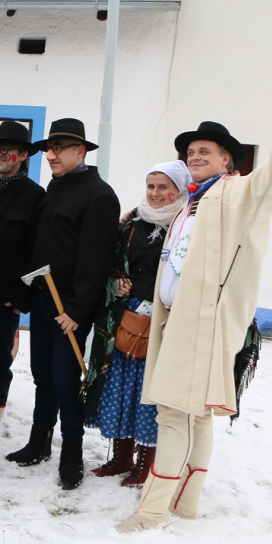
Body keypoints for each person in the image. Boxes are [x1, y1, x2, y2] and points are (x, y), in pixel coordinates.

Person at [117, 101, 272, 533]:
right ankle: (187, 504)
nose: (196, 157)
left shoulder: (236, 193)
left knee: (174, 413)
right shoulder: (189, 204)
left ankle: (152, 512)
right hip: (174, 320)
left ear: (226, 160)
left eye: (206, 152)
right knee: (193, 415)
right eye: (191, 152)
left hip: (200, 325)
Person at [6, 118, 119, 490]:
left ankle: (72, 452)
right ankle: (39, 442)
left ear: (80, 151)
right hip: (42, 299)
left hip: (68, 306)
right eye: (49, 149)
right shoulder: (55, 189)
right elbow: (39, 246)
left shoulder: (99, 195)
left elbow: (96, 259)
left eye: (58, 149)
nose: (50, 155)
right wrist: (23, 296)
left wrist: (77, 311)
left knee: (65, 380)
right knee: (42, 374)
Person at [84, 160, 189, 487]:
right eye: (151, 186)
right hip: (126, 318)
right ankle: (120, 457)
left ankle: (147, 462)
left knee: (148, 392)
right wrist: (116, 283)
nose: (156, 194)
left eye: (163, 187)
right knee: (120, 388)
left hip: (162, 321)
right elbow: (110, 264)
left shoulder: (186, 226)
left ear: (178, 190)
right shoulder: (130, 225)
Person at [0, 121, 46, 452]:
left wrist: (22, 296)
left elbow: (36, 251)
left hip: (5, 296)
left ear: (21, 155)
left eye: (7, 150)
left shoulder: (35, 195)